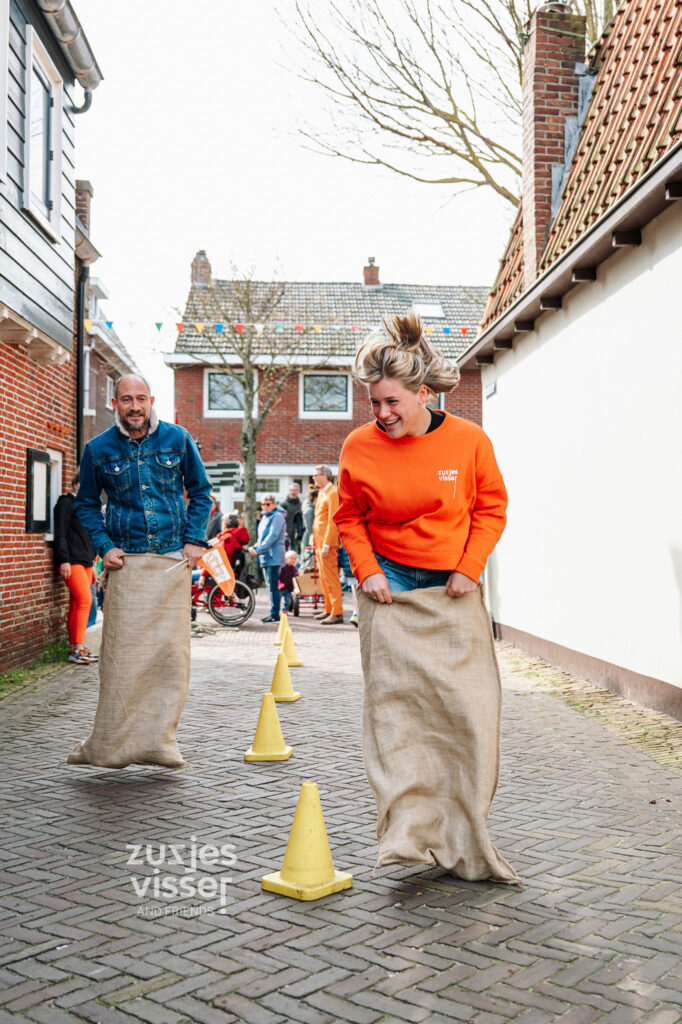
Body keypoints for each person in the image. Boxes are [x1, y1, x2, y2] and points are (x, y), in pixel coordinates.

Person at [335, 312, 520, 884]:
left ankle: (463, 832)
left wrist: (470, 567)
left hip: (452, 586)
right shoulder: (358, 447)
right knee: (397, 713)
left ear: (422, 394)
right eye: (374, 403)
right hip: (388, 587)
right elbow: (349, 517)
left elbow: (491, 508)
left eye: (392, 401)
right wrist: (367, 571)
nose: (382, 413)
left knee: (464, 712)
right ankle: (408, 834)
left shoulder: (469, 441)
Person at [69, 373, 212, 770]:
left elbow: (201, 491)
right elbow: (85, 503)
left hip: (171, 562)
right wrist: (105, 546)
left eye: (141, 398)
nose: (135, 406)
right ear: (115, 403)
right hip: (127, 564)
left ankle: (159, 743)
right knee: (122, 659)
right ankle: (110, 745)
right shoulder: (98, 449)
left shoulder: (178, 439)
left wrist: (194, 539)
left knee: (169, 659)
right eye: (126, 399)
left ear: (152, 400)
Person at [53, 469, 97, 664]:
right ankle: (78, 648)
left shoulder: (88, 507)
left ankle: (74, 646)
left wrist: (94, 563)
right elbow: (60, 533)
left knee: (76, 603)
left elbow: (91, 536)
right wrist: (64, 560)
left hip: (86, 562)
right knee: (85, 600)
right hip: (71, 561)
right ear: (76, 484)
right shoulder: (66, 503)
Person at [312, 465, 343, 624]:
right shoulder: (322, 492)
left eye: (316, 475)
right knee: (324, 578)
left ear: (325, 476)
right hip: (320, 542)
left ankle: (337, 611)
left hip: (327, 544)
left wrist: (327, 544)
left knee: (331, 578)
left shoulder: (332, 493)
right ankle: (328, 608)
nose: (314, 478)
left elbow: (333, 520)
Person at [248, 495, 286, 622]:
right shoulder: (265, 517)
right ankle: (273, 613)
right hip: (266, 556)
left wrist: (258, 550)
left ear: (274, 504)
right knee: (271, 586)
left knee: (273, 586)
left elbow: (272, 536)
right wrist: (255, 547)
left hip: (273, 556)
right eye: (263, 504)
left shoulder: (277, 517)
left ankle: (275, 614)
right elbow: (262, 538)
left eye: (268, 504)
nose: (265, 506)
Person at [281, 483, 304, 552]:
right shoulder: (283, 504)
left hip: (297, 536)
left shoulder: (301, 505)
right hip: (286, 535)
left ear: (299, 491)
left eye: (295, 490)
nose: (293, 492)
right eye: (291, 490)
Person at [300, 482, 317, 567]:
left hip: (310, 536)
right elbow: (309, 527)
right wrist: (313, 539)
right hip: (310, 538)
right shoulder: (309, 510)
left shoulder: (309, 507)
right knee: (308, 562)